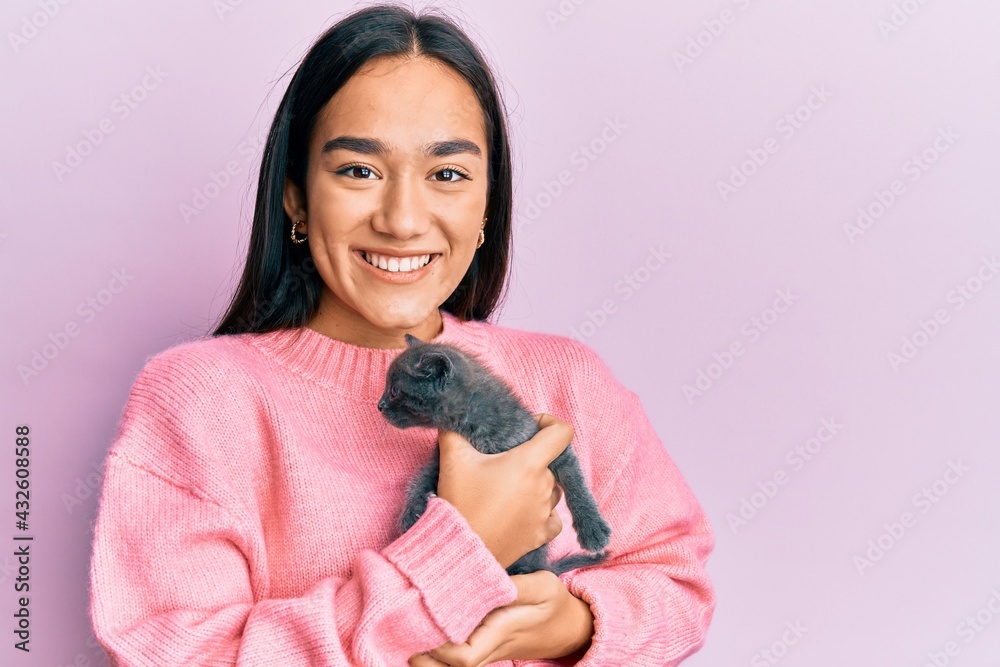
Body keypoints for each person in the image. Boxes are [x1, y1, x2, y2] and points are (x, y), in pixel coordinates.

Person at [87, 4, 716, 665]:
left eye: (447, 174)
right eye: (359, 170)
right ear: (296, 196)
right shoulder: (200, 400)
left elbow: (677, 581)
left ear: (485, 205)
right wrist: (458, 552)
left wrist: (573, 624)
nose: (403, 219)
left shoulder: (569, 378)